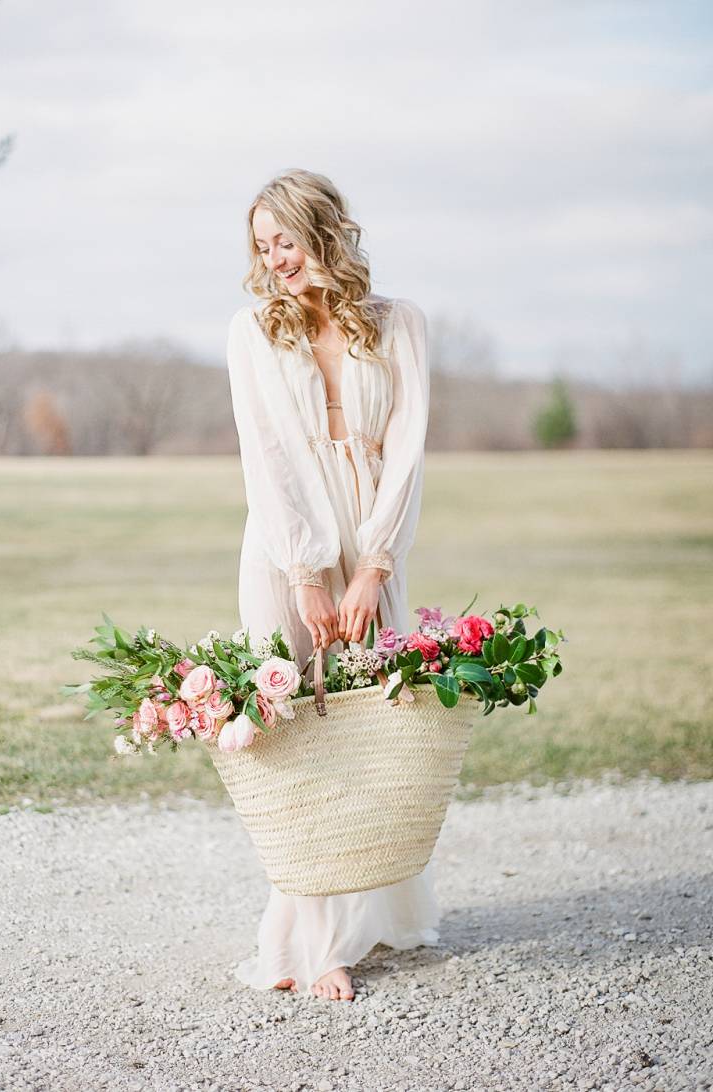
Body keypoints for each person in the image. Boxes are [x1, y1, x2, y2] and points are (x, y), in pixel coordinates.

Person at [225, 168, 439, 1002]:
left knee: (370, 720)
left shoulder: (401, 324)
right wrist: (308, 569)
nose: (274, 258)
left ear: (324, 233)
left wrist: (373, 563)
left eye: (286, 239)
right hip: (286, 543)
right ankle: (313, 944)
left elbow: (411, 445)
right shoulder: (253, 332)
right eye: (261, 245)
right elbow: (267, 458)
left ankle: (362, 913)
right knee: (296, 721)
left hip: (373, 531)